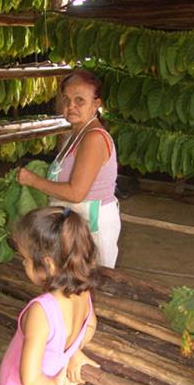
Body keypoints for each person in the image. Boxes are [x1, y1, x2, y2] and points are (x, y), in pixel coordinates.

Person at [0, 206, 100, 385]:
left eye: (25, 259)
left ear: (47, 264)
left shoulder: (42, 311)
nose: (23, 264)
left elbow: (30, 379)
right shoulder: (83, 294)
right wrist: (74, 351)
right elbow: (89, 327)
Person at [17, 69, 121, 268]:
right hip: (76, 225)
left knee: (95, 284)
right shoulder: (77, 133)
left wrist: (33, 180)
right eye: (66, 100)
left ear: (96, 105)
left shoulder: (94, 138)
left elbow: (76, 193)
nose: (71, 106)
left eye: (79, 100)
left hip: (93, 227)